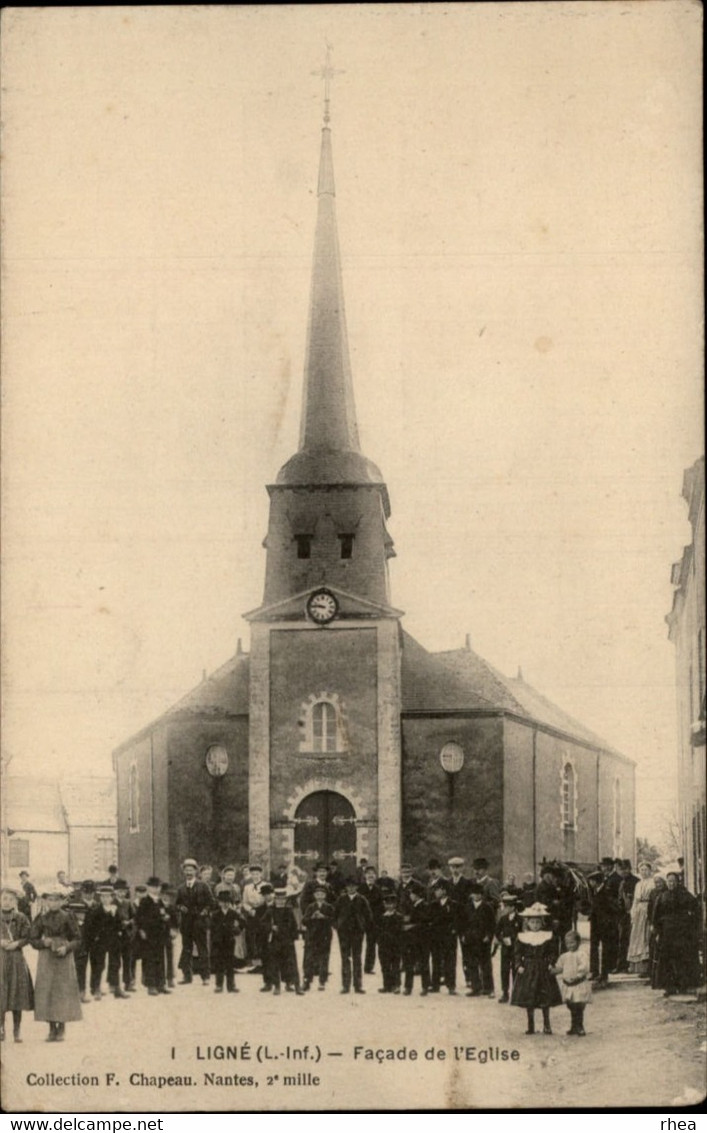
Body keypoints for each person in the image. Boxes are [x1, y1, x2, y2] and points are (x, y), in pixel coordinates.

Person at [30, 889, 82, 1042]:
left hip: (64, 957)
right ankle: (51, 1028)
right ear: (46, 901)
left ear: (62, 901)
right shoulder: (41, 918)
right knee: (48, 990)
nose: (53, 903)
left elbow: (78, 939)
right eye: (50, 900)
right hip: (46, 957)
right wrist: (42, 942)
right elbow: (32, 939)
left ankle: (62, 1027)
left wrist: (66, 947)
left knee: (63, 990)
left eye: (56, 900)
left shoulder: (68, 917)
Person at [510, 902, 562, 1035]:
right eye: (532, 922)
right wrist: (518, 965)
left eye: (538, 922)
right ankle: (530, 1025)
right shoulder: (522, 937)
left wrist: (551, 962)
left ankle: (547, 1024)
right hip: (528, 968)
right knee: (529, 996)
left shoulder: (547, 936)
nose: (535, 925)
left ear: (542, 923)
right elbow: (517, 953)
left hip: (543, 968)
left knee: (545, 996)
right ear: (527, 923)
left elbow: (553, 952)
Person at [652, 872, 701, 995]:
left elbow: (696, 909)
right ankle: (669, 987)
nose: (671, 884)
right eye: (669, 881)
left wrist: (690, 925)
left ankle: (683, 985)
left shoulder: (685, 895)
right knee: (667, 960)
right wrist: (657, 931)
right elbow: (656, 916)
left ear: (678, 882)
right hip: (666, 933)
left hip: (681, 933)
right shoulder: (662, 896)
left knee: (682, 959)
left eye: (673, 881)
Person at [1, 888, 34, 1043]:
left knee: (17, 994)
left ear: (15, 901)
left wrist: (17, 944)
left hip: (16, 960)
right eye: (4, 898)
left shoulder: (21, 918)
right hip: (1, 959)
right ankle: (1, 1029)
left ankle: (17, 1030)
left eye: (10, 899)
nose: (6, 902)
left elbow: (28, 936)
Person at [86, 886, 129, 999]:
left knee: (115, 963)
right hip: (100, 941)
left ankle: (116, 987)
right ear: (100, 898)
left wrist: (115, 916)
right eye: (103, 896)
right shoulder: (96, 910)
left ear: (112, 897)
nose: (105, 899)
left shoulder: (115, 909)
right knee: (99, 965)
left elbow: (120, 924)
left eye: (108, 896)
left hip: (113, 941)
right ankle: (96, 988)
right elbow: (92, 926)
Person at [176, 857, 214, 985]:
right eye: (186, 870)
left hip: (199, 923)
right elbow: (177, 904)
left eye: (191, 870)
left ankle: (206, 977)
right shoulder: (181, 888)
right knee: (186, 949)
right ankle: (187, 976)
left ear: (196, 871)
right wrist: (181, 907)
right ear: (183, 872)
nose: (188, 873)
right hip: (186, 924)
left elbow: (211, 903)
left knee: (202, 948)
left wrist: (204, 912)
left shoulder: (203, 886)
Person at [334, 876, 372, 994]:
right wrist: (338, 926)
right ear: (346, 887)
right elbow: (334, 915)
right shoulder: (341, 899)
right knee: (345, 958)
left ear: (356, 887)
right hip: (344, 933)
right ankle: (345, 985)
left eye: (353, 886)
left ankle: (358, 985)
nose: (351, 888)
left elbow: (368, 916)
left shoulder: (362, 899)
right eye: (349, 886)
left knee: (357, 957)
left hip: (357, 933)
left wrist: (363, 927)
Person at [135, 876, 172, 996]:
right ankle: (151, 985)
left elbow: (163, 914)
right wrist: (141, 930)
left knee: (160, 959)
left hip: (160, 935)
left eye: (158, 887)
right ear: (148, 888)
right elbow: (139, 918)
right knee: (149, 960)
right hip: (149, 935)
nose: (156, 889)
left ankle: (161, 984)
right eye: (153, 887)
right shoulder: (144, 901)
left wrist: (165, 918)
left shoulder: (160, 901)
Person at [551, 929, 591, 1036]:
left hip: (578, 984)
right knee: (571, 1006)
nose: (570, 945)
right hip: (568, 986)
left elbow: (584, 967)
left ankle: (580, 1026)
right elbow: (559, 967)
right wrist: (552, 970)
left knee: (579, 1006)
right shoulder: (564, 956)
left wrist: (578, 976)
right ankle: (573, 1026)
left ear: (578, 942)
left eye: (572, 943)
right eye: (568, 943)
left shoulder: (582, 954)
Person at [588, 857, 621, 987]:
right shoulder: (596, 891)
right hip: (596, 923)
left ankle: (604, 974)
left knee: (606, 949)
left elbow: (612, 906)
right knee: (595, 946)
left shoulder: (605, 891)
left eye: (591, 881)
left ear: (596, 882)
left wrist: (608, 920)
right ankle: (596, 972)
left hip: (604, 924)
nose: (590, 884)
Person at [461, 883, 496, 997]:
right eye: (474, 894)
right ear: (471, 895)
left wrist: (488, 936)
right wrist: (463, 935)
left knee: (485, 964)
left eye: (478, 894)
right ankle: (476, 988)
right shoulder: (467, 907)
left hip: (483, 939)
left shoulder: (487, 907)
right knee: (472, 963)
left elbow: (492, 924)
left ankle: (488, 988)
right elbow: (463, 923)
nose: (476, 896)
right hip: (470, 938)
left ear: (482, 895)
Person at [267, 888, 303, 995]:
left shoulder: (289, 911)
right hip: (276, 941)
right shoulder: (270, 910)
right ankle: (277, 986)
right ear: (275, 899)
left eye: (283, 899)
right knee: (275, 964)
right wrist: (270, 927)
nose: (281, 901)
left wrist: (293, 938)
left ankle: (296, 986)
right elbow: (262, 923)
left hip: (287, 941)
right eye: (278, 899)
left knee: (292, 964)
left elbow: (294, 926)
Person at [211, 887, 245, 993]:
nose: (225, 904)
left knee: (230, 964)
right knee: (219, 963)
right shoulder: (215, 914)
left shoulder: (233, 913)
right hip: (218, 941)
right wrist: (215, 936)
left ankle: (231, 986)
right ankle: (219, 985)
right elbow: (211, 927)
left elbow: (243, 922)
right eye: (222, 902)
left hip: (230, 941)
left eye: (227, 902)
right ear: (219, 903)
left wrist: (237, 929)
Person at [428, 880, 458, 994]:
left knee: (450, 961)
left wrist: (454, 930)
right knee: (436, 960)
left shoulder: (453, 905)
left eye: (438, 889)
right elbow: (429, 920)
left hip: (449, 937)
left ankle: (451, 985)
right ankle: (435, 985)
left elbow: (457, 920)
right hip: (436, 937)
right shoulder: (433, 904)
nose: (435, 892)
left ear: (444, 891)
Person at [302, 884, 334, 991]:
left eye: (322, 894)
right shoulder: (311, 907)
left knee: (324, 959)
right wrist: (312, 917)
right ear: (314, 895)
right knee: (309, 959)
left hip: (324, 936)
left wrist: (323, 917)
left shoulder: (329, 907)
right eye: (317, 894)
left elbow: (334, 921)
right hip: (312, 936)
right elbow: (304, 921)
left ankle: (322, 981)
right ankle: (307, 980)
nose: (320, 896)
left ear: (325, 896)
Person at [401, 881, 430, 996]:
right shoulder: (411, 906)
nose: (410, 895)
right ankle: (408, 987)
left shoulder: (425, 906)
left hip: (422, 939)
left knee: (423, 964)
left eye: (412, 894)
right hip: (411, 940)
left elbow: (425, 923)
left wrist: (411, 926)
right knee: (409, 963)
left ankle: (425, 987)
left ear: (417, 895)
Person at [627, 861, 655, 977]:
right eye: (641, 870)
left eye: (646, 869)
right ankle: (640, 967)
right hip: (639, 911)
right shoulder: (638, 884)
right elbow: (635, 900)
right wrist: (633, 914)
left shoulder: (652, 883)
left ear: (650, 871)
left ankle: (649, 967)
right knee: (638, 938)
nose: (644, 872)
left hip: (648, 909)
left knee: (647, 937)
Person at [494, 892, 522, 1003]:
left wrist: (513, 939)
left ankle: (516, 993)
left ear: (513, 907)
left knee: (516, 970)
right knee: (504, 971)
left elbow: (522, 933)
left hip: (516, 949)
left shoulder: (520, 919)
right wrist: (502, 939)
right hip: (505, 949)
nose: (504, 908)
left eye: (507, 906)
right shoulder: (503, 919)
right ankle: (505, 992)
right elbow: (497, 932)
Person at [377, 890, 404, 994]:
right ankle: (387, 985)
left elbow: (399, 931)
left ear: (395, 905)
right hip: (383, 945)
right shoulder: (381, 917)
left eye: (392, 904)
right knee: (385, 966)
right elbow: (378, 930)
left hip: (395, 945)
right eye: (387, 904)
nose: (389, 906)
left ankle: (396, 985)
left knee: (396, 966)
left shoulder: (398, 917)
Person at [359, 866, 384, 974]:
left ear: (375, 876)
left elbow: (381, 906)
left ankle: (368, 967)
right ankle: (357, 966)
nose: (370, 875)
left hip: (373, 921)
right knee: (357, 944)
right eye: (368, 873)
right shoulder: (360, 889)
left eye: (372, 874)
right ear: (365, 876)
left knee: (371, 944)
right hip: (360, 920)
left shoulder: (379, 890)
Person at [242, 864, 266, 973]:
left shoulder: (266, 885)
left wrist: (261, 909)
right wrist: (249, 909)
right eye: (253, 874)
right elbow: (244, 902)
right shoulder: (247, 888)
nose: (255, 876)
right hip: (252, 914)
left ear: (261, 874)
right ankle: (256, 964)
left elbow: (269, 899)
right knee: (252, 939)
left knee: (262, 938)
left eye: (257, 874)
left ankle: (264, 964)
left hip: (263, 913)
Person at [615, 859, 639, 973]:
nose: (623, 871)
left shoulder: (636, 882)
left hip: (633, 914)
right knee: (622, 939)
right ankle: (621, 965)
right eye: (621, 869)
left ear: (630, 869)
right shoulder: (621, 882)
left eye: (625, 869)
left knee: (631, 939)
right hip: (622, 915)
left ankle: (631, 966)